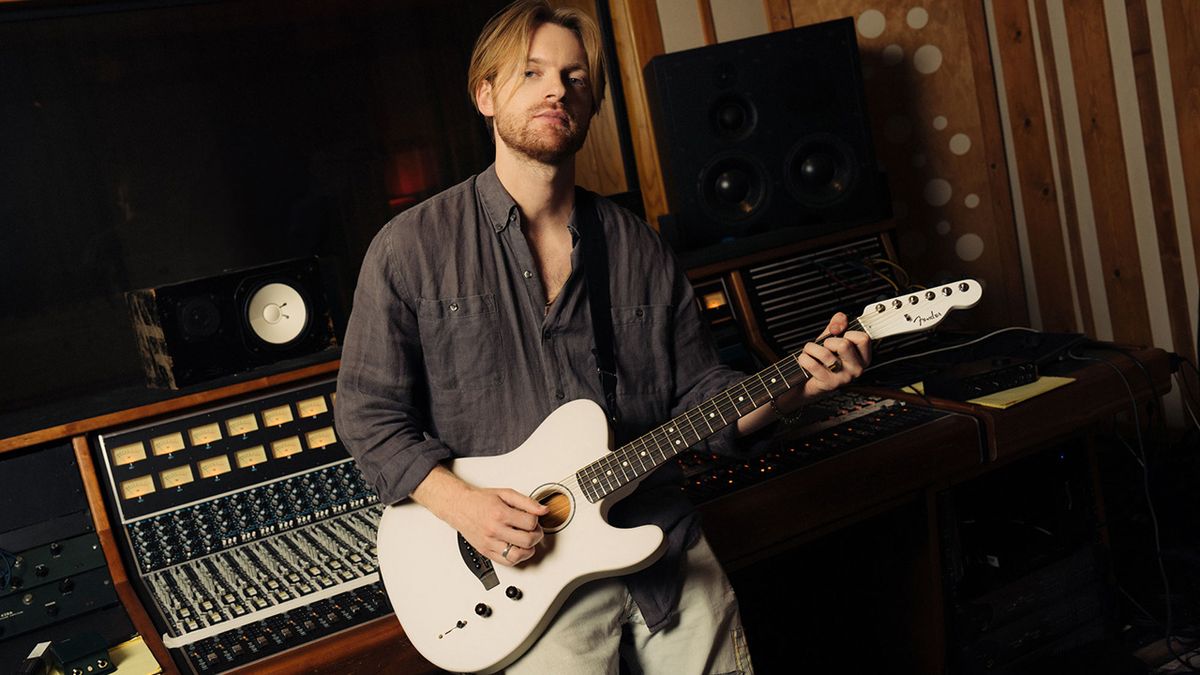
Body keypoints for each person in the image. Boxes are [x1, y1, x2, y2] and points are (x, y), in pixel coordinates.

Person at [334, 1, 871, 673]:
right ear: (485, 93)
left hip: (663, 551)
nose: (558, 88)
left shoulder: (639, 247)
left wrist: (794, 388)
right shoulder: (410, 247)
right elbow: (366, 413)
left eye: (575, 77)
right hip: (526, 585)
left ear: (589, 107)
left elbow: (701, 396)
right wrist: (465, 506)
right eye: (531, 73)